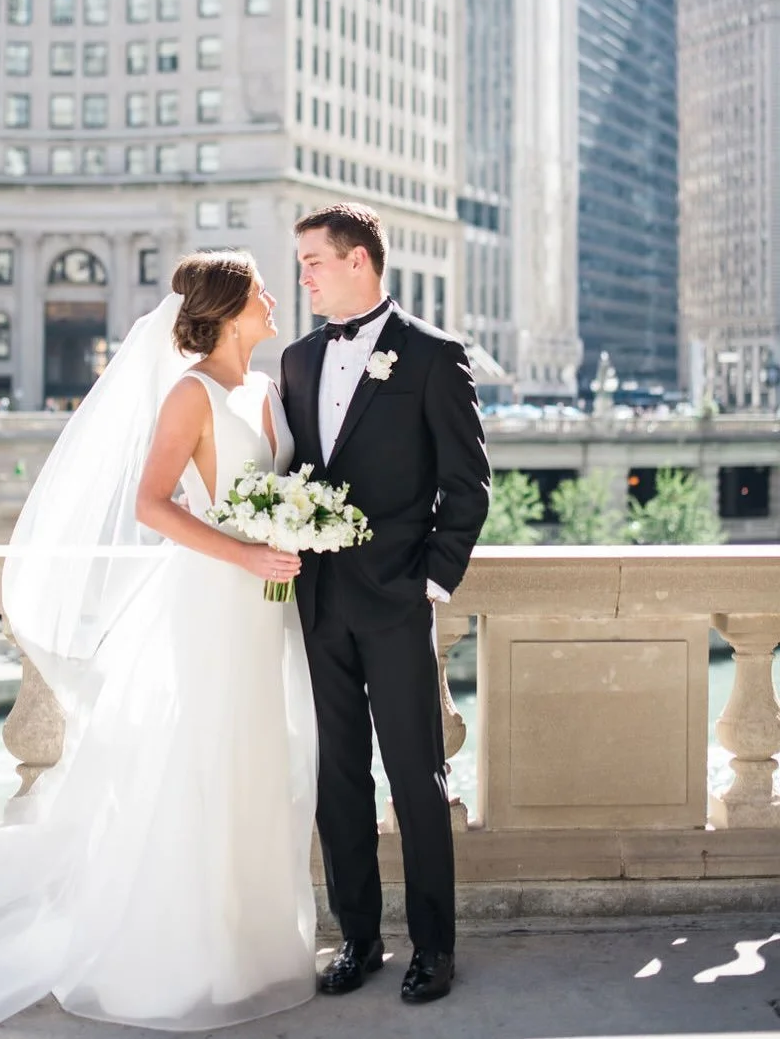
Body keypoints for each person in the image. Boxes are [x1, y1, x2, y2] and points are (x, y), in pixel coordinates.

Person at [0, 251, 319, 1029]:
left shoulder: (267, 390)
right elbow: (152, 504)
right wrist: (244, 555)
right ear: (231, 309)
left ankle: (258, 948)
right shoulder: (190, 393)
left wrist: (290, 533)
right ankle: (191, 954)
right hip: (212, 600)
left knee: (262, 762)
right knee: (207, 763)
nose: (274, 297)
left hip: (269, 609)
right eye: (260, 289)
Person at [280, 202, 490, 1005]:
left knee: (415, 779)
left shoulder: (434, 355)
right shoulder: (297, 360)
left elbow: (467, 483)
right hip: (317, 604)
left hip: (398, 602)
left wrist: (430, 581)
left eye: (313, 260)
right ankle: (359, 939)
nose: (304, 275)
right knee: (337, 778)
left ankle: (433, 947)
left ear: (358, 259)